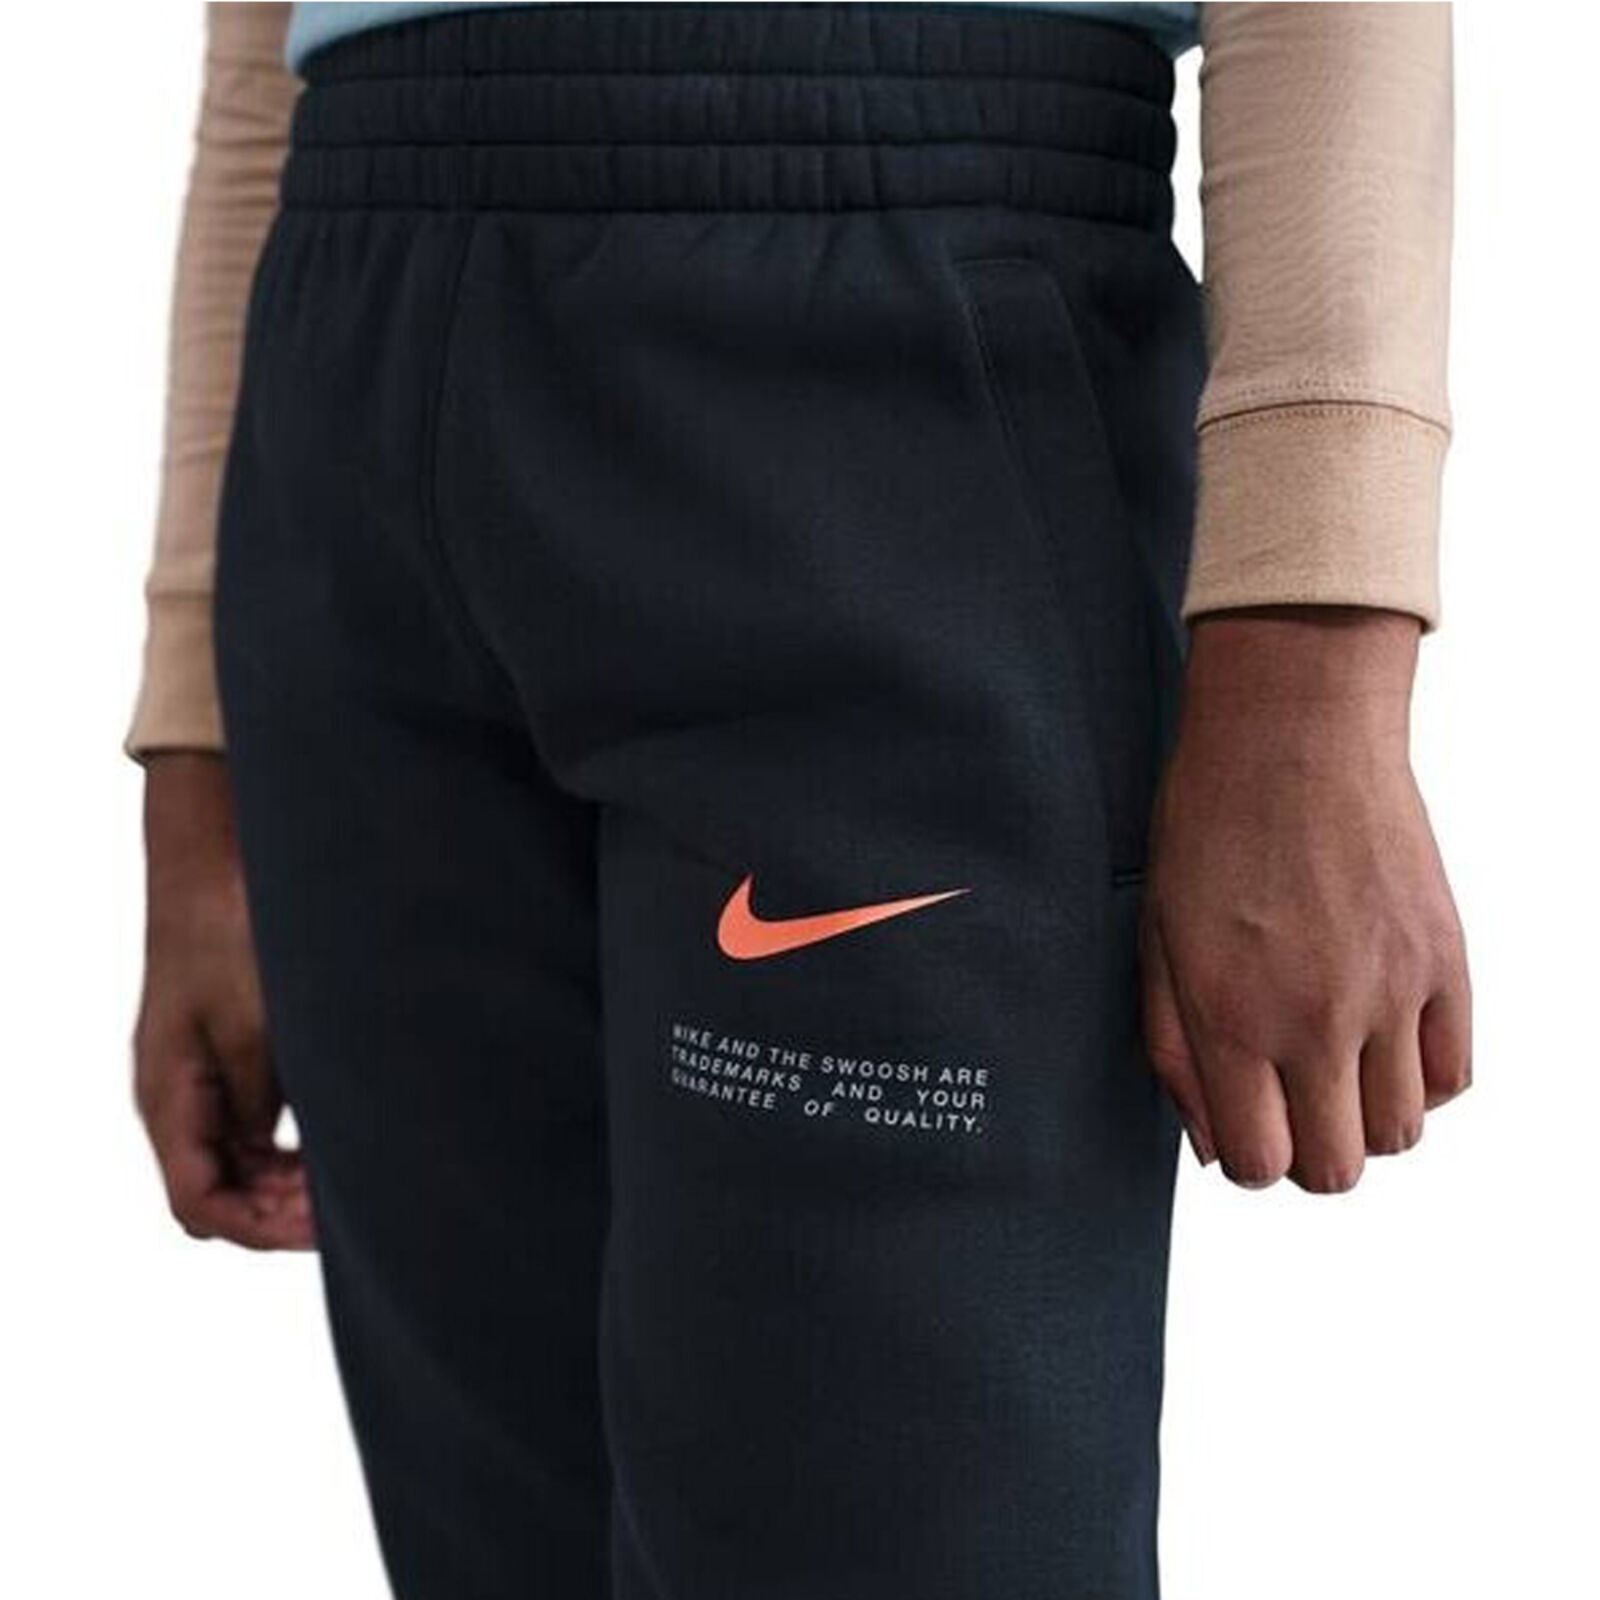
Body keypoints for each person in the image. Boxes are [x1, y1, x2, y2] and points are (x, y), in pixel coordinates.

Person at [129, 4, 1469, 1596]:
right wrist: (199, 758)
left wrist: (1318, 647)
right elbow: (251, 48)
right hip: (345, 340)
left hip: (895, 325)